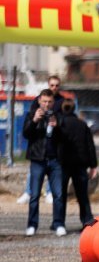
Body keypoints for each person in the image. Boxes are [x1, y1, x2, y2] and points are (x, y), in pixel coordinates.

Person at [22, 88, 67, 237]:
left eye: (49, 102)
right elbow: (26, 134)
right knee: (34, 195)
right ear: (39, 101)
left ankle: (58, 223)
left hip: (55, 161)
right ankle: (32, 225)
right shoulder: (32, 114)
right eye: (44, 101)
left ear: (53, 102)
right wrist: (34, 120)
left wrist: (58, 127)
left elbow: (66, 138)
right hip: (38, 160)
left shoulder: (59, 116)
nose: (47, 105)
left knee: (58, 195)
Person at [17, 76, 64, 205]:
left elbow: (64, 119)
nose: (54, 88)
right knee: (35, 169)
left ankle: (49, 193)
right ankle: (28, 192)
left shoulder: (61, 101)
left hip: (53, 142)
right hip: (39, 140)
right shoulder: (39, 99)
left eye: (56, 85)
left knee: (53, 169)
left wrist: (57, 122)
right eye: (52, 85)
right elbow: (32, 116)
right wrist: (37, 118)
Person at [59, 98, 98, 230]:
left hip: (63, 163)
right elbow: (90, 146)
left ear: (63, 109)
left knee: (61, 195)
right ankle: (87, 220)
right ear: (74, 108)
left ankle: (59, 223)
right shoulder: (82, 124)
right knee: (82, 195)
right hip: (80, 164)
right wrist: (93, 165)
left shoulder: (61, 124)